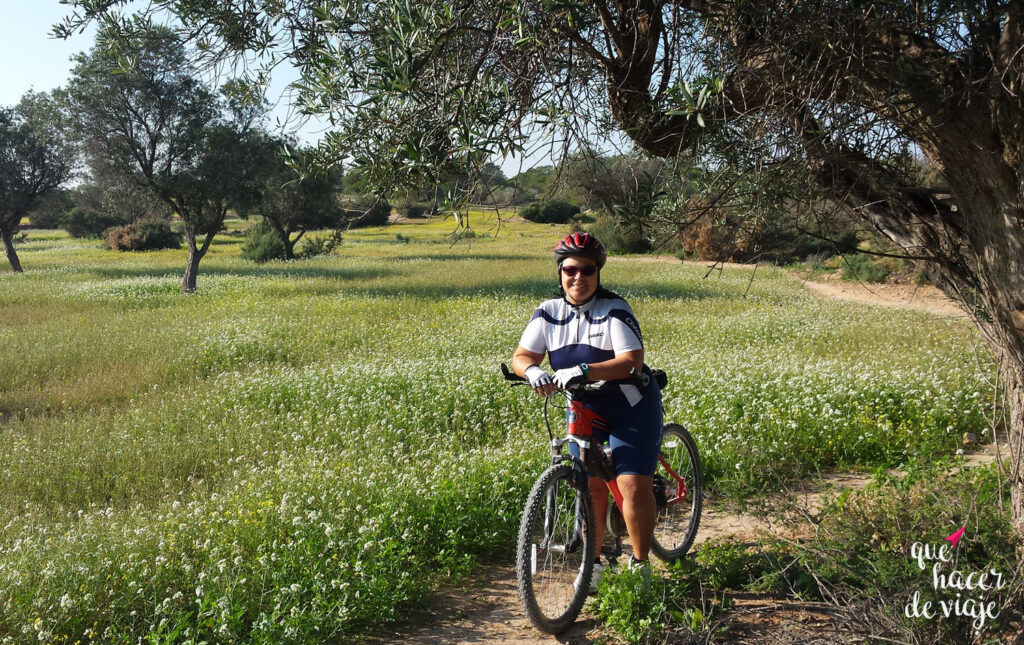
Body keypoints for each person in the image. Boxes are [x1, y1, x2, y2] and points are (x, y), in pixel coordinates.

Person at [511, 232, 662, 590]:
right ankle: (592, 564)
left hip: (630, 406)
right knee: (589, 484)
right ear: (560, 272)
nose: (579, 277)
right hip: (583, 408)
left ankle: (640, 568)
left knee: (630, 484)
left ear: (598, 272)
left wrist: (583, 370)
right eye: (570, 269)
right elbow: (522, 356)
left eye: (588, 270)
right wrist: (532, 371)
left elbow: (631, 362)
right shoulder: (547, 312)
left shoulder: (615, 309)